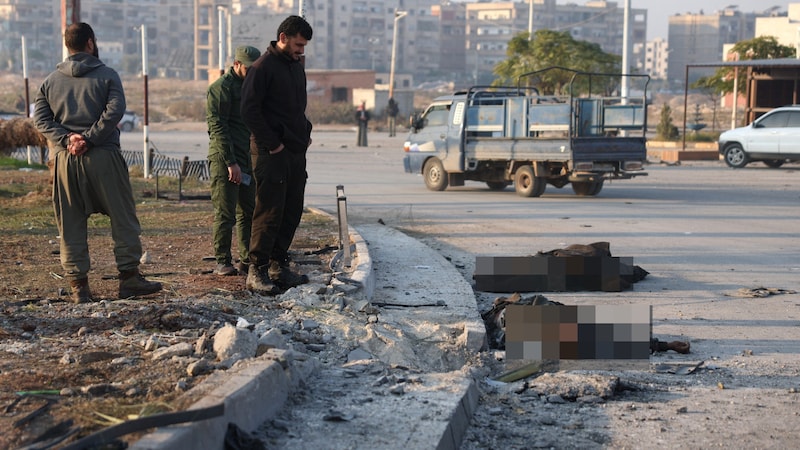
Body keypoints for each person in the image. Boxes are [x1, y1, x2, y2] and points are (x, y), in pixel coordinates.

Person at [33, 22, 161, 303]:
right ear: (90, 43)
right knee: (122, 216)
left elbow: (40, 120)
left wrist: (67, 140)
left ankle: (79, 287)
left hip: (65, 160)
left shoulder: (49, 82)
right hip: (103, 155)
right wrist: (90, 139)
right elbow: (115, 110)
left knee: (70, 221)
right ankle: (129, 278)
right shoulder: (108, 76)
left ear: (68, 46)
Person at [241, 15, 313, 294]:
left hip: (295, 150)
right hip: (272, 153)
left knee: (292, 209)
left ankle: (278, 265)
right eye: (298, 44)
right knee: (269, 211)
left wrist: (305, 133)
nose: (301, 51)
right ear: (283, 38)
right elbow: (249, 111)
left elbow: (297, 109)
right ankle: (256, 270)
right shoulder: (262, 68)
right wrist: (274, 144)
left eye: (304, 46)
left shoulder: (295, 67)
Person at [206, 45, 261, 276]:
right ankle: (223, 261)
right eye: (249, 69)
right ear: (237, 64)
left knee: (248, 211)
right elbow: (218, 128)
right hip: (224, 159)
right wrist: (231, 163)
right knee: (225, 213)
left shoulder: (252, 87)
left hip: (245, 158)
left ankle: (247, 259)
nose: (253, 73)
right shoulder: (221, 89)